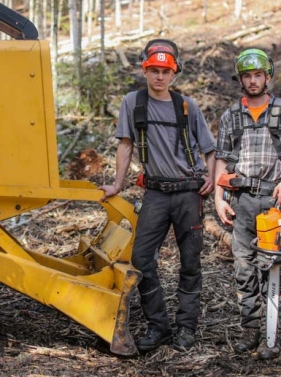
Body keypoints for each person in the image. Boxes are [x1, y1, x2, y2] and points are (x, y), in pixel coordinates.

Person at [100, 39, 216, 352]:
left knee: (190, 261)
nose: (159, 77)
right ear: (145, 71)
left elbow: (209, 149)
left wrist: (212, 178)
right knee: (140, 258)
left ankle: (186, 328)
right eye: (154, 70)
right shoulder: (133, 103)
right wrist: (117, 185)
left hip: (188, 194)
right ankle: (159, 325)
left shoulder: (186, 106)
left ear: (174, 74)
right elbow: (125, 144)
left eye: (165, 71)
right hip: (155, 192)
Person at [213, 48, 281, 360]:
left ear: (267, 77)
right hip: (242, 199)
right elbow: (222, 159)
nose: (253, 81)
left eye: (258, 75)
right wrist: (218, 197)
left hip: (277, 200)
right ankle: (250, 327)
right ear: (240, 80)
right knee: (244, 265)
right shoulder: (231, 116)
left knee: (275, 266)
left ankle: (273, 331)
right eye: (247, 76)